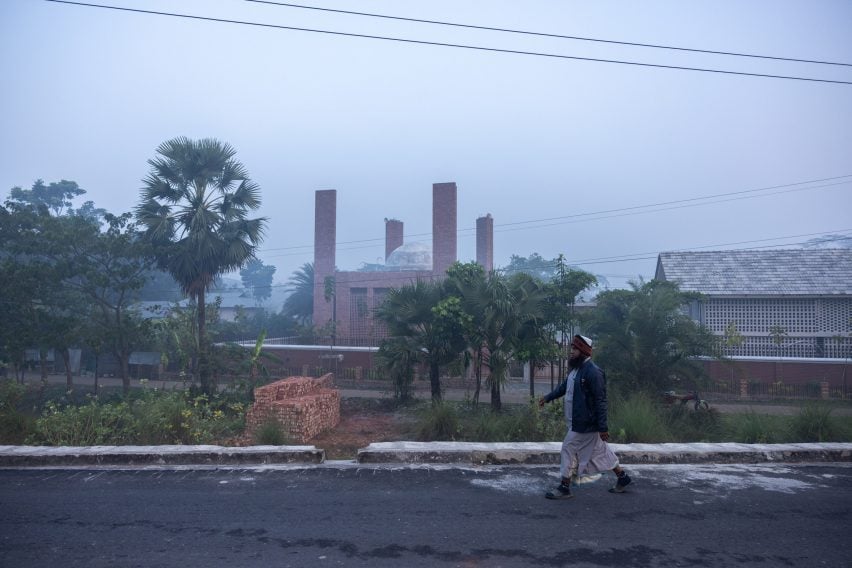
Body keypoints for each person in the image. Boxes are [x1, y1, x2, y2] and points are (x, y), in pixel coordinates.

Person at [538, 334, 631, 499]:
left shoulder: (593, 372)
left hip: (585, 424)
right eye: (571, 348)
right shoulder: (577, 370)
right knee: (600, 451)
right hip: (578, 422)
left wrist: (603, 428)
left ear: (583, 351)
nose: (571, 351)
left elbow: (600, 401)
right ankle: (622, 477)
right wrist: (547, 398)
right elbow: (563, 388)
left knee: (567, 448)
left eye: (574, 348)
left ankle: (564, 487)